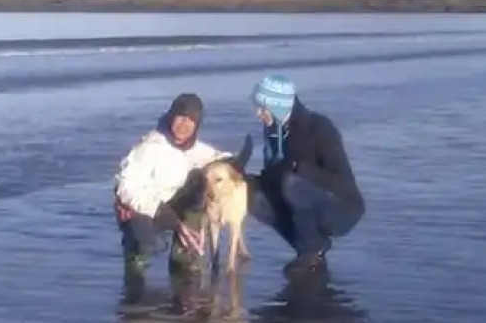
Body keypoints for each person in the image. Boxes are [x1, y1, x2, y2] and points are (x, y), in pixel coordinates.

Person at [113, 92, 252, 280]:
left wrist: (237, 162)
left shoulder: (197, 150)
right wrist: (161, 212)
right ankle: (135, 269)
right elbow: (126, 188)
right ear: (171, 117)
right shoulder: (149, 147)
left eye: (191, 121)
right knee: (151, 244)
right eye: (181, 117)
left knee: (200, 181)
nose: (184, 125)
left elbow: (219, 159)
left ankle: (184, 259)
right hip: (142, 209)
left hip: (172, 206)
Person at [246, 73, 364, 278]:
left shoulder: (320, 128)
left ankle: (311, 251)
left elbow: (341, 183)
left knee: (292, 183)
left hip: (342, 209)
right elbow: (273, 177)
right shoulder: (274, 131)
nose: (257, 113)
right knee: (252, 194)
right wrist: (245, 180)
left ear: (277, 105)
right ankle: (308, 248)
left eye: (261, 107)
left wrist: (300, 169)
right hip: (303, 199)